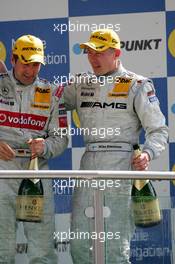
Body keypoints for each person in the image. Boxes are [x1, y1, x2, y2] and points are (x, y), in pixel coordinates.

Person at [64, 29, 168, 264]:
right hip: (89, 163)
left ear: (117, 53)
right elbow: (48, 102)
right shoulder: (80, 83)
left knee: (114, 248)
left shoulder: (137, 84)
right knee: (80, 244)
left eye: (100, 52)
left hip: (122, 164)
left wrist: (148, 153)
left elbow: (159, 130)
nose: (93, 58)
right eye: (89, 52)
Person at [0, 35, 68, 263]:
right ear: (13, 59)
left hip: (36, 173)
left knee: (42, 250)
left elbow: (61, 138)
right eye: (25, 63)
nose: (30, 71)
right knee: (2, 249)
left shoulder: (52, 93)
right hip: (2, 172)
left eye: (36, 64)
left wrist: (45, 146)